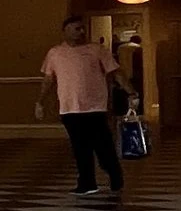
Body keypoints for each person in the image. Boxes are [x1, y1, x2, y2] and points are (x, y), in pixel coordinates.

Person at [40, 15, 123, 195]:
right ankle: (87, 182)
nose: (81, 32)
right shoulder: (55, 53)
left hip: (95, 107)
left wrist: (130, 92)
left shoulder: (97, 50)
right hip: (70, 108)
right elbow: (49, 79)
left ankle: (114, 174)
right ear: (66, 31)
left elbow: (115, 72)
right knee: (80, 147)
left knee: (103, 145)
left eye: (82, 28)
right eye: (77, 29)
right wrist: (40, 101)